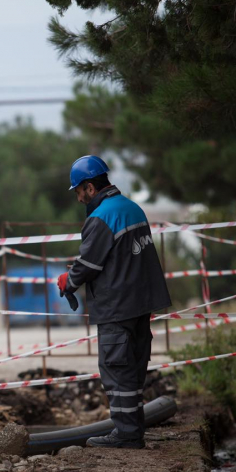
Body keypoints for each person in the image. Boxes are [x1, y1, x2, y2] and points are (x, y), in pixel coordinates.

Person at [57, 155, 171, 449]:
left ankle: (126, 435)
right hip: (140, 304)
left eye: (79, 192)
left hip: (116, 307)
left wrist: (68, 282)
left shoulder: (101, 217)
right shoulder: (132, 209)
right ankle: (132, 431)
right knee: (133, 369)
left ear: (91, 187)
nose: (79, 198)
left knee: (115, 370)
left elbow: (88, 265)